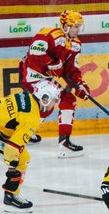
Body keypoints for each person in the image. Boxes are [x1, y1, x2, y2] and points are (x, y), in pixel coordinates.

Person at [20, 8, 88, 153]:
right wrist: (53, 64)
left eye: (79, 26)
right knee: (49, 102)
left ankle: (27, 134)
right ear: (65, 26)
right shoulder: (48, 34)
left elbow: (71, 69)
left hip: (45, 77)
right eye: (75, 26)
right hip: (32, 74)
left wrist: (79, 85)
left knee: (67, 99)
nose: (78, 30)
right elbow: (35, 55)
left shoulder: (76, 44)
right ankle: (24, 135)